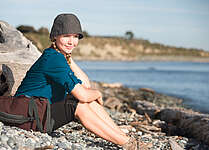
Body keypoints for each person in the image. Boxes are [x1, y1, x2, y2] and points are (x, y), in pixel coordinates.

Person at [15, 13, 147, 150]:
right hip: (28, 116)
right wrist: (98, 93)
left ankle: (125, 138)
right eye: (66, 36)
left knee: (88, 100)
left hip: (39, 111)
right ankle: (126, 143)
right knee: (80, 105)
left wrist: (70, 59)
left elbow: (85, 85)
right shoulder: (54, 59)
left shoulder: (59, 56)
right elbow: (83, 95)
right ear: (55, 36)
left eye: (76, 36)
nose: (72, 42)